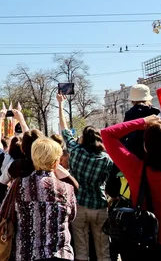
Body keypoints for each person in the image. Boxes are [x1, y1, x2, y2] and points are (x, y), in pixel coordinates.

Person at [101, 116, 161, 259]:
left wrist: (143, 122)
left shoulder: (137, 171)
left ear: (146, 146)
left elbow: (107, 134)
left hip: (144, 243)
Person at [58, 93, 112, 261]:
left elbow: (64, 130)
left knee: (81, 250)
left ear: (83, 138)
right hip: (100, 205)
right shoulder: (106, 159)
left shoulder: (75, 151)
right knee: (104, 250)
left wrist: (60, 105)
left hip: (79, 205)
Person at [3, 137, 76, 261]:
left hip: (27, 253)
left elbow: (4, 213)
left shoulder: (19, 185)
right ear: (56, 162)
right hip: (60, 254)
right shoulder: (66, 188)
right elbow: (72, 216)